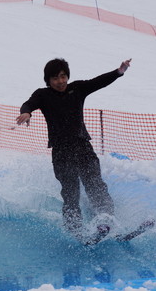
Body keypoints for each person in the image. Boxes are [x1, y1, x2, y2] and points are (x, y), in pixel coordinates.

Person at [16, 58, 132, 237]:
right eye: (55, 78)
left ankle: (106, 222)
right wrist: (26, 111)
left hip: (83, 147)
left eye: (63, 76)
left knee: (96, 186)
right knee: (71, 194)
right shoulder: (43, 95)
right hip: (61, 153)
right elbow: (29, 103)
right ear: (48, 80)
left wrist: (118, 72)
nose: (60, 81)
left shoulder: (77, 88)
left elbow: (98, 82)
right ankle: (76, 230)